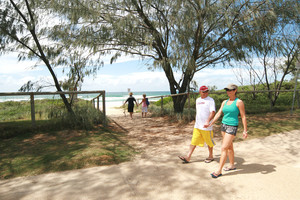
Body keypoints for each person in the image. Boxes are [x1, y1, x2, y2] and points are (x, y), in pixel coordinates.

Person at [204, 83, 248, 178]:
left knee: (224, 148)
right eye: (227, 90)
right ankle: (232, 165)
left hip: (232, 126)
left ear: (235, 90)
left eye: (230, 90)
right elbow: (219, 113)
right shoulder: (224, 102)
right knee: (229, 147)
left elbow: (243, 116)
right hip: (223, 125)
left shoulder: (239, 102)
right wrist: (210, 123)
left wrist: (245, 130)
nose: (228, 92)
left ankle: (219, 170)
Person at [178, 85, 216, 163]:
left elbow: (213, 112)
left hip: (206, 127)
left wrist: (208, 121)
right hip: (197, 126)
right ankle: (188, 157)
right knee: (194, 141)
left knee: (209, 142)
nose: (205, 93)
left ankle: (211, 156)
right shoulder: (198, 100)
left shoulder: (210, 100)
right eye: (203, 91)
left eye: (206, 91)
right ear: (200, 92)